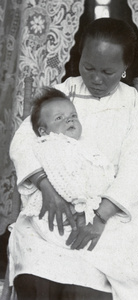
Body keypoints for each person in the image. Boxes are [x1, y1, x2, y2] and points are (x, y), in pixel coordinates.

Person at [8, 18, 138, 300]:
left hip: (109, 214)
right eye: (88, 67)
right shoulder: (63, 93)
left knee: (91, 286)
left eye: (107, 71)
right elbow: (23, 141)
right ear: (80, 59)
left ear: (124, 68)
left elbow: (137, 170)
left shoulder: (135, 106)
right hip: (54, 205)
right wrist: (47, 187)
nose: (95, 79)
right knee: (37, 273)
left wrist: (99, 218)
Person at [20, 86, 115, 247]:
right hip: (63, 209)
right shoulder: (51, 144)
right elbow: (62, 178)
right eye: (59, 118)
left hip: (90, 205)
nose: (70, 120)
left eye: (73, 116)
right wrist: (79, 207)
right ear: (44, 131)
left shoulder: (83, 146)